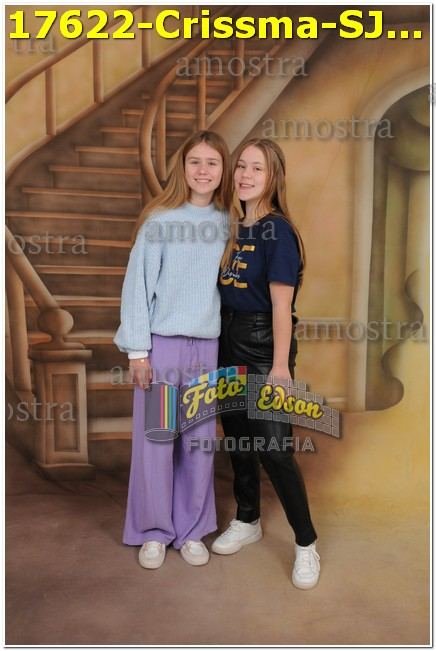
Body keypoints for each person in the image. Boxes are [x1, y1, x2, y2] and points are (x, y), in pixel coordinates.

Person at [114, 131, 230, 569]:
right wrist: (137, 353)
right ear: (182, 168)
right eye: (195, 161)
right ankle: (153, 531)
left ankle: (193, 529)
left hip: (207, 349)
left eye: (212, 162)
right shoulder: (160, 221)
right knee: (157, 440)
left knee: (199, 442)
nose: (203, 170)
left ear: (223, 170)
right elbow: (137, 288)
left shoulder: (230, 224)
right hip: (162, 348)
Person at [212, 138, 320, 589]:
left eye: (256, 168)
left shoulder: (278, 232)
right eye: (241, 166)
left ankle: (306, 543)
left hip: (262, 345)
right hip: (226, 340)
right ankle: (248, 519)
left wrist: (279, 368)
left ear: (273, 177)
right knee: (238, 440)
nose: (245, 175)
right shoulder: (233, 228)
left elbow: (281, 308)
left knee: (274, 449)